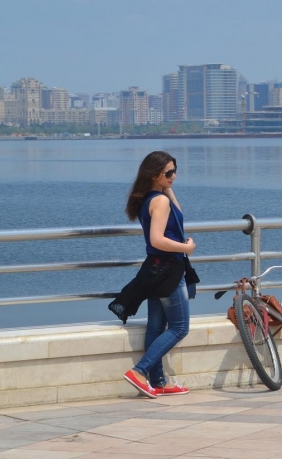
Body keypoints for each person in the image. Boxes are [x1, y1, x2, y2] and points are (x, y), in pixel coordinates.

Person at [117, 151, 194, 398]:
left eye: (175, 171)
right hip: (169, 270)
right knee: (180, 327)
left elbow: (178, 214)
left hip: (156, 269)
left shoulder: (152, 198)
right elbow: (157, 240)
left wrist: (167, 186)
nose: (174, 176)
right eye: (169, 172)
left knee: (156, 327)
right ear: (154, 175)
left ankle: (158, 382)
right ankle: (139, 371)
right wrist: (186, 248)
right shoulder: (159, 202)